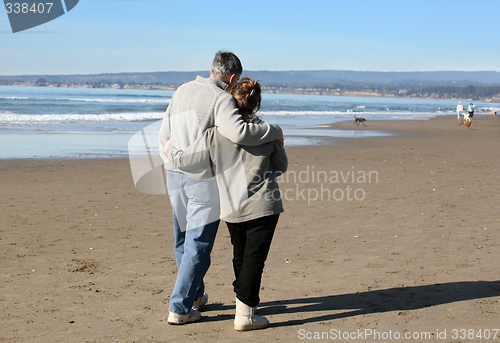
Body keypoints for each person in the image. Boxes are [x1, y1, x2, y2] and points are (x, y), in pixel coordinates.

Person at [158, 52, 283, 325]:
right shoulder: (221, 98)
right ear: (233, 77)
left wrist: (170, 156)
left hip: (173, 173)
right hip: (201, 178)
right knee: (198, 245)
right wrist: (274, 131)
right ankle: (179, 308)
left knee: (182, 241)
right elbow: (239, 132)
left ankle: (194, 295)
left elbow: (163, 133)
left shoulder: (182, 90)